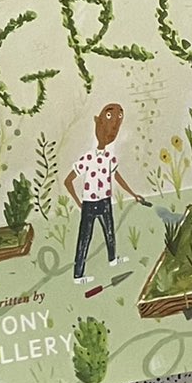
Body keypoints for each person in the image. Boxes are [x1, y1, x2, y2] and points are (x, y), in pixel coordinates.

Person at [64, 103, 147, 283]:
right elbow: (68, 181)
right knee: (84, 238)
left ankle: (112, 259)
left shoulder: (109, 158)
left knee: (110, 233)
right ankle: (78, 275)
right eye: (109, 118)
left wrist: (133, 194)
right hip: (89, 204)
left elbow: (116, 176)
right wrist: (79, 203)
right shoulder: (88, 157)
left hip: (105, 201)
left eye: (118, 119)